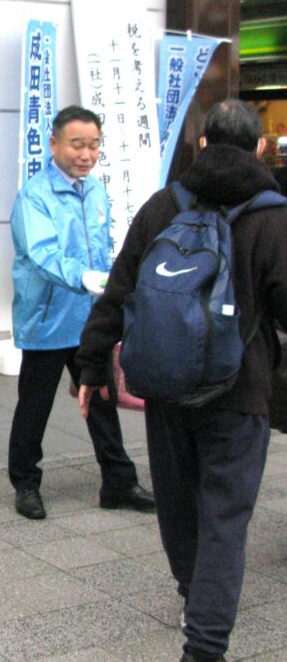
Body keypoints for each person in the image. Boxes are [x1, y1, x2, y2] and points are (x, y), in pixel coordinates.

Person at [77, 99, 287, 662]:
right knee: (225, 516)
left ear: (202, 144)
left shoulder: (163, 206)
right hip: (241, 393)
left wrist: (93, 365)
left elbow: (121, 288)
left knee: (177, 502)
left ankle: (193, 594)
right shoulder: (275, 218)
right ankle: (205, 644)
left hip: (167, 385)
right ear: (259, 147)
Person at [8, 105, 155, 520]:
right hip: (48, 317)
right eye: (77, 145)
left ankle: (119, 482)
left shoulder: (94, 190)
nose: (87, 154)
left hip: (91, 317)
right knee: (35, 404)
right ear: (54, 143)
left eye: (94, 145)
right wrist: (85, 277)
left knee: (103, 398)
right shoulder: (35, 196)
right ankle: (25, 483)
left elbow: (100, 250)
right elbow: (42, 254)